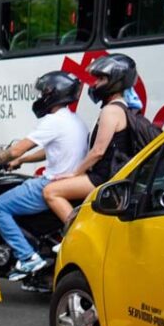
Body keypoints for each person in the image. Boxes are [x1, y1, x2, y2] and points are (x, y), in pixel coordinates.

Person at [0, 71, 89, 280]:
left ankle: (28, 256)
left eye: (43, 93)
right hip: (70, 182)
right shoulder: (74, 120)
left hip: (49, 184)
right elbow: (50, 149)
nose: (40, 97)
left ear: (53, 93)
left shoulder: (52, 121)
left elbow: (15, 150)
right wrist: (23, 161)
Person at [43, 54, 137, 222]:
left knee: (50, 192)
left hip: (102, 178)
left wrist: (74, 174)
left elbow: (98, 152)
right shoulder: (122, 108)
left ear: (115, 80)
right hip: (109, 175)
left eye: (101, 78)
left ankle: (76, 235)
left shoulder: (111, 111)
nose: (95, 83)